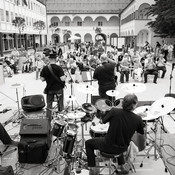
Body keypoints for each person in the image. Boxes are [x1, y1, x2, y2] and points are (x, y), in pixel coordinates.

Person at [85, 93, 145, 175]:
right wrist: (138, 119)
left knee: (88, 143)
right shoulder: (138, 119)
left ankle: (92, 169)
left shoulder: (114, 111)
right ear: (134, 105)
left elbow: (103, 121)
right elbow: (141, 132)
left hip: (107, 145)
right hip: (123, 148)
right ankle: (122, 166)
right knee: (120, 139)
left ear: (123, 103)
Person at [40, 51, 67, 121]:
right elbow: (62, 78)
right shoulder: (59, 68)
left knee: (49, 104)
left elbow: (42, 79)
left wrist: (48, 78)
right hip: (58, 89)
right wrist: (65, 76)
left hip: (49, 89)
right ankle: (61, 118)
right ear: (56, 59)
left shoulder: (45, 68)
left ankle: (48, 118)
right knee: (60, 103)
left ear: (49, 59)